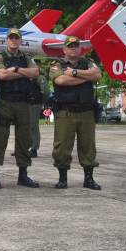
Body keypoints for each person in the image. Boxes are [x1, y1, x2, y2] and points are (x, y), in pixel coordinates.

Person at [0, 27, 41, 189]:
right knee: (0, 138)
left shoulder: (27, 57)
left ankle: (23, 175)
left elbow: (36, 73)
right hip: (5, 102)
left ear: (20, 40)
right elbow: (2, 75)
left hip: (23, 103)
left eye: (16, 38)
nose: (13, 40)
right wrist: (25, 73)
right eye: (11, 38)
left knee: (24, 139)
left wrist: (16, 69)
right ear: (6, 40)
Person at [49, 36, 102, 190]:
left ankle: (89, 179)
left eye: (76, 46)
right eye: (70, 46)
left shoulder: (88, 62)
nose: (73, 49)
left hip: (86, 111)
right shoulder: (57, 64)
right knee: (62, 146)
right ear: (64, 49)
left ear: (80, 49)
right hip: (66, 112)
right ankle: (62, 179)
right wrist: (86, 77)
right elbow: (60, 81)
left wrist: (73, 73)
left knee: (88, 146)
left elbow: (97, 75)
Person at [28, 70, 48, 157]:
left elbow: (46, 92)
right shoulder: (25, 75)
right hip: (25, 103)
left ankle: (34, 148)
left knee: (33, 125)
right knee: (24, 126)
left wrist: (41, 103)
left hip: (34, 104)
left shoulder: (40, 78)